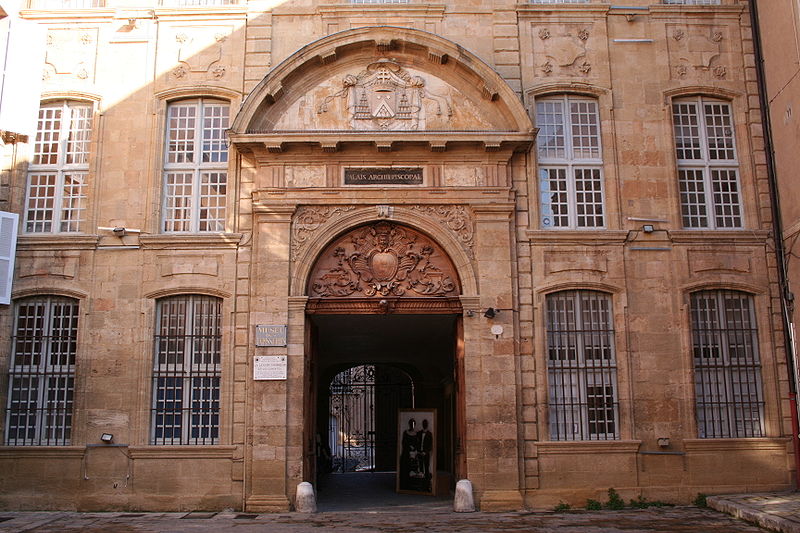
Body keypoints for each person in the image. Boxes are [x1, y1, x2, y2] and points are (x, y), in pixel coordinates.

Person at [399, 417, 418, 489]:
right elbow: (404, 443)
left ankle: (410, 485)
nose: (412, 425)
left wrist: (414, 449)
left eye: (413, 424)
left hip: (413, 454)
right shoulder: (405, 432)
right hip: (406, 453)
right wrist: (409, 447)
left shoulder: (416, 434)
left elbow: (417, 444)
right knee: (405, 469)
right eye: (411, 424)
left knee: (412, 469)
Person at [417, 418, 433, 492]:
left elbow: (430, 445)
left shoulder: (429, 434)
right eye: (423, 423)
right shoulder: (419, 433)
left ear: (427, 425)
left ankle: (426, 486)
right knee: (420, 469)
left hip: (426, 454)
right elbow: (417, 442)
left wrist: (426, 452)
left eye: (425, 424)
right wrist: (418, 451)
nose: (424, 425)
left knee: (426, 469)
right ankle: (421, 485)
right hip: (420, 453)